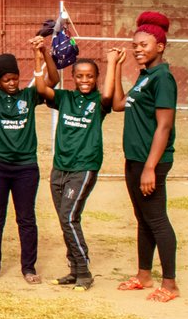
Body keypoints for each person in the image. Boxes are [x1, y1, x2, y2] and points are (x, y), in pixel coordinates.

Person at [35, 42, 123, 290]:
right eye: (80, 76)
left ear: (97, 79)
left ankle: (84, 271)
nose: (85, 80)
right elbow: (42, 88)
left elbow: (109, 95)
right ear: (72, 78)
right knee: (66, 219)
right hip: (59, 167)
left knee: (69, 216)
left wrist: (113, 62)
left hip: (84, 167)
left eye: (90, 76)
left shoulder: (99, 102)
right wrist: (40, 54)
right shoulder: (65, 98)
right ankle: (73, 270)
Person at [0, 33, 59, 284]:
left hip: (25, 168)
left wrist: (43, 53)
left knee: (26, 218)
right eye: (5, 79)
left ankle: (28, 268)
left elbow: (52, 80)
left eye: (14, 78)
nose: (11, 83)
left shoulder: (29, 96)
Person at [114, 11, 180, 302]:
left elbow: (164, 125)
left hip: (151, 161)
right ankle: (143, 275)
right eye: (135, 45)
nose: (138, 49)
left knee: (157, 219)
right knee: (142, 218)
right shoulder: (144, 77)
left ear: (160, 47)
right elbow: (118, 104)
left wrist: (150, 168)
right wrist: (114, 68)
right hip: (136, 158)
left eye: (144, 45)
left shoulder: (163, 77)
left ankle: (170, 284)